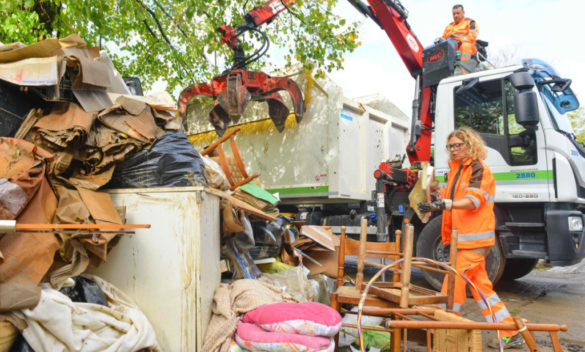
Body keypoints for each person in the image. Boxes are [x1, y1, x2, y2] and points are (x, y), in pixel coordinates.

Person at [418, 128, 525, 349]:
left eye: (458, 145)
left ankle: (444, 329)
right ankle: (510, 332)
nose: (454, 150)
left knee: (452, 286)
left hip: (474, 242)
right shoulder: (457, 170)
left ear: (470, 145)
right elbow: (450, 196)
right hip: (466, 241)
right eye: (451, 146)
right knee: (482, 289)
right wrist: (436, 193)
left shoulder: (478, 169)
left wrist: (444, 204)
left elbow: (473, 201)